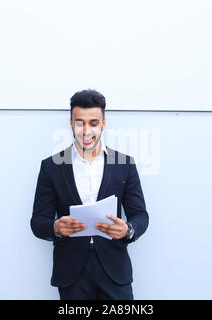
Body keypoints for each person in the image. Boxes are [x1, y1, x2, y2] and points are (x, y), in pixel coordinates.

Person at [31, 89, 149, 300]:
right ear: (71, 123)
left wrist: (128, 230)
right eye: (79, 122)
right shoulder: (51, 167)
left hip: (114, 270)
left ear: (103, 123)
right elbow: (38, 221)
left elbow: (141, 215)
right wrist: (55, 227)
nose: (86, 131)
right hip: (72, 272)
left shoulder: (124, 164)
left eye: (93, 123)